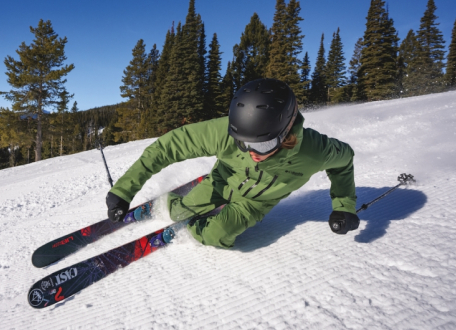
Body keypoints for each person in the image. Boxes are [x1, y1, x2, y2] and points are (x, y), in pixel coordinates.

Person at [105, 78, 359, 249]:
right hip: (222, 181)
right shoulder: (225, 132)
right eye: (242, 143)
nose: (251, 153)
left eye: (261, 145)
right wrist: (123, 191)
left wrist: (344, 206)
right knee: (178, 212)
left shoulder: (314, 151)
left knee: (219, 236)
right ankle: (174, 206)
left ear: (286, 133)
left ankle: (196, 223)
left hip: (254, 202)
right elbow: (168, 146)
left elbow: (344, 160)